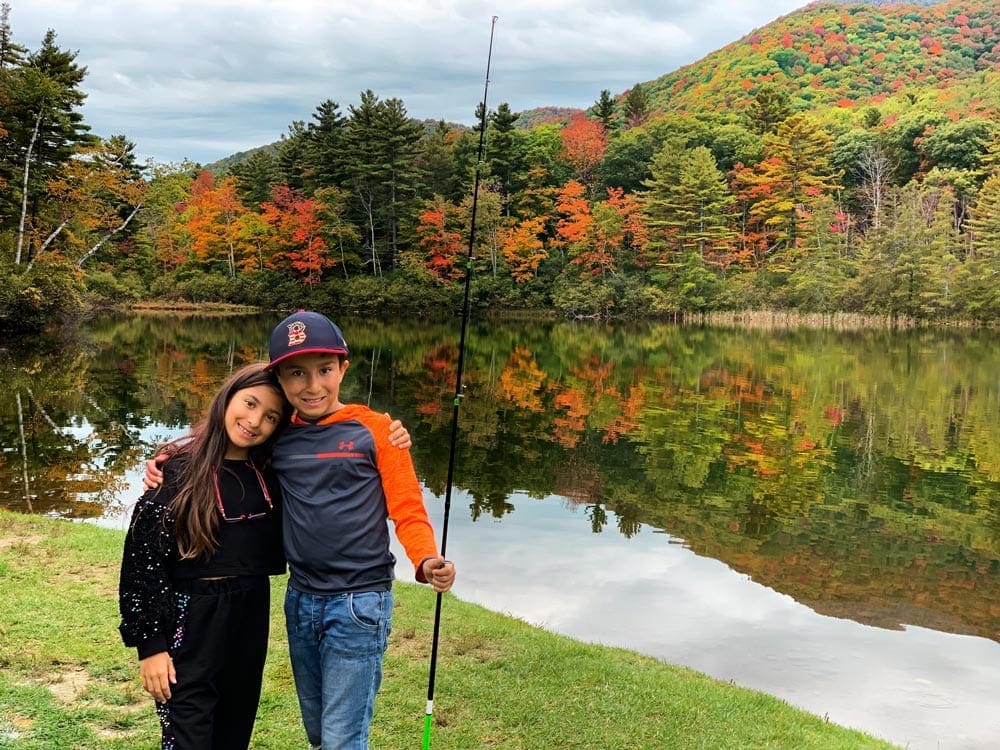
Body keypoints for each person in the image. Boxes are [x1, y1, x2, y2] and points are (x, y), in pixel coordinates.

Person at [144, 311, 455, 750]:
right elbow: (226, 444)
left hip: (359, 601)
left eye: (324, 371)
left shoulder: (378, 431)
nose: (312, 386)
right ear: (279, 379)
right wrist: (167, 460)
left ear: (343, 368)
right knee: (317, 731)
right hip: (301, 600)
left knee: (341, 738)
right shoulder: (277, 433)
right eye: (296, 374)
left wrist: (425, 559)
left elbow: (407, 509)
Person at [118, 363, 291, 749]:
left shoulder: (273, 470)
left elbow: (325, 432)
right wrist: (151, 647)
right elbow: (141, 566)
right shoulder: (176, 472)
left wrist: (383, 432)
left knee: (233, 732)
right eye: (249, 403)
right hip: (189, 619)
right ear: (228, 396)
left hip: (249, 613)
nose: (254, 421)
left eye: (270, 417)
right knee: (188, 736)